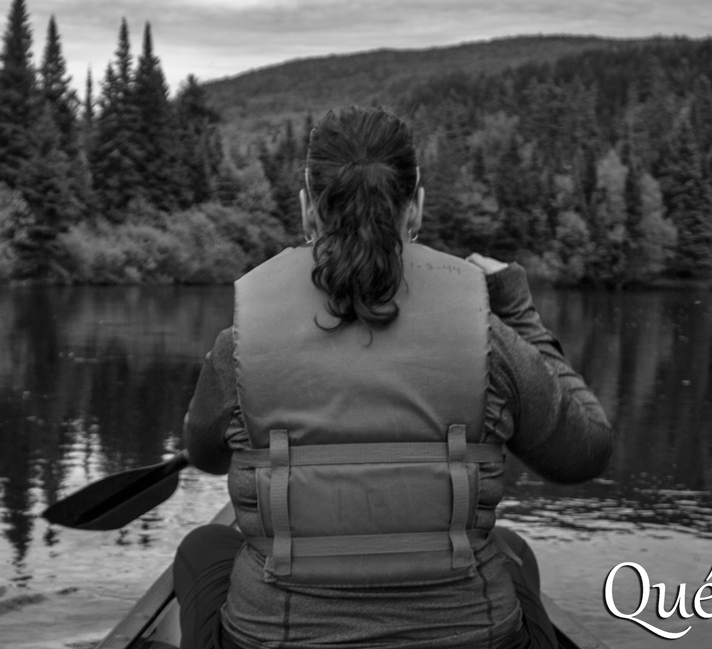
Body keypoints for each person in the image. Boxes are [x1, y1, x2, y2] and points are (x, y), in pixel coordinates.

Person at [173, 105, 612, 649]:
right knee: (513, 552)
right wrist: (517, 308)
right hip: (475, 638)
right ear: (416, 207)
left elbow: (205, 455)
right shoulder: (489, 338)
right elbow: (586, 452)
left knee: (201, 548)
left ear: (308, 208)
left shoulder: (237, 347)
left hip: (274, 637)